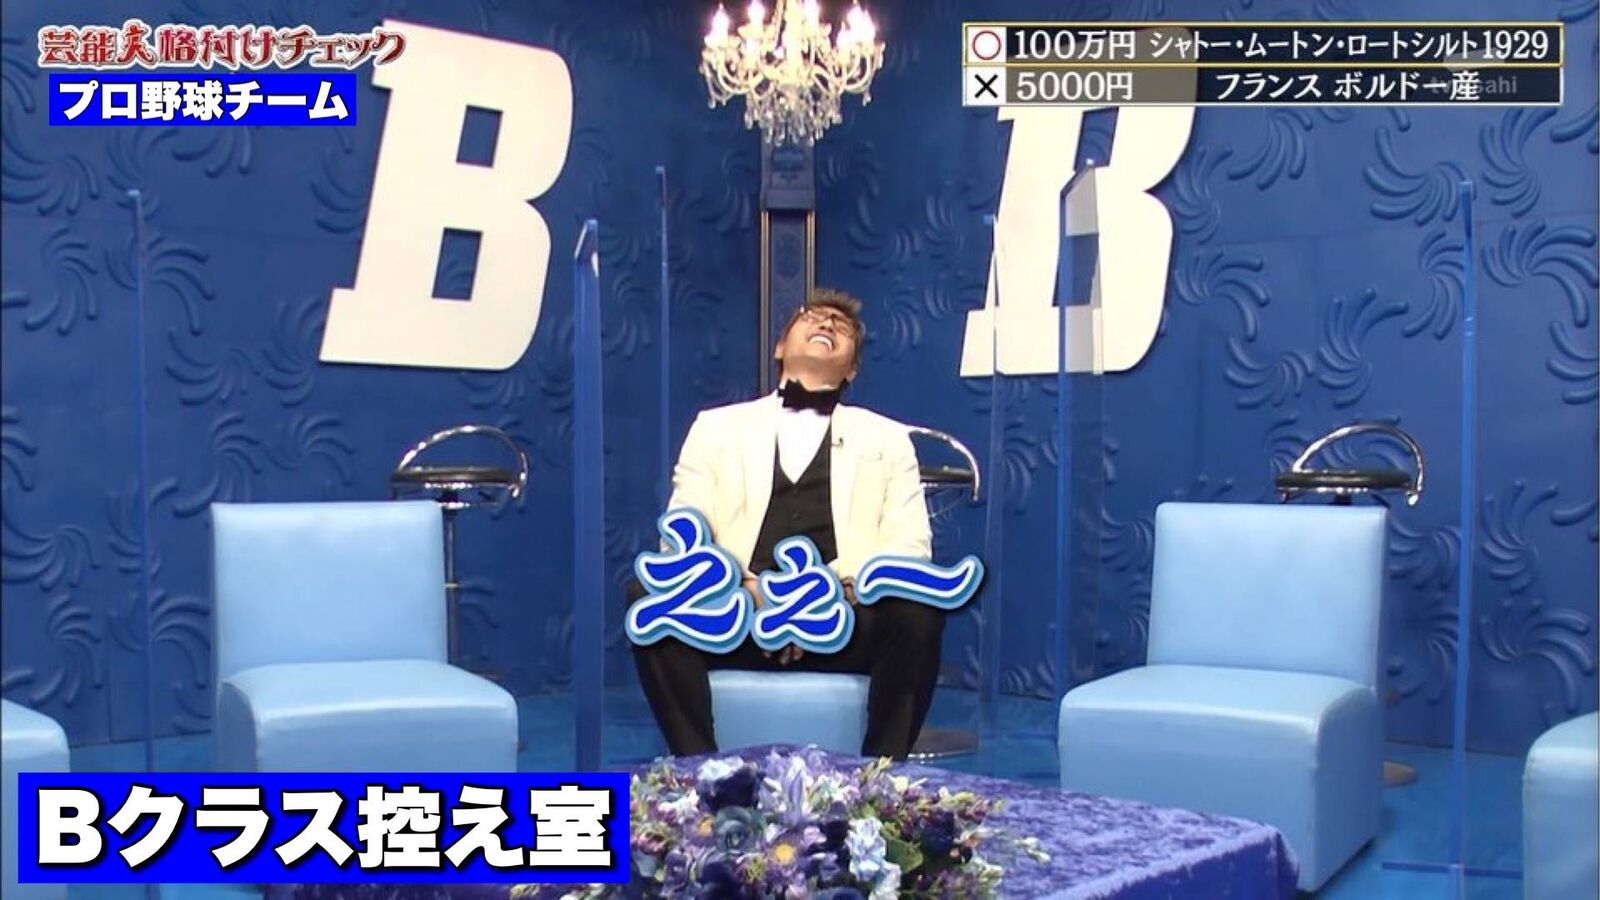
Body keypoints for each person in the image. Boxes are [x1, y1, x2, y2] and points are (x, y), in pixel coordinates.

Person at [630, 288, 942, 760]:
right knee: (647, 595)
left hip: (843, 617)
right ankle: (702, 772)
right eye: (812, 317)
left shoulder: (888, 439)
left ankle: (880, 777)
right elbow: (682, 533)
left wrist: (819, 598)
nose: (827, 324)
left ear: (852, 369)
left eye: (841, 325)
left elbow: (910, 548)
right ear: (779, 347)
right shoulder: (716, 428)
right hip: (738, 615)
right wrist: (756, 593)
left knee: (919, 607)